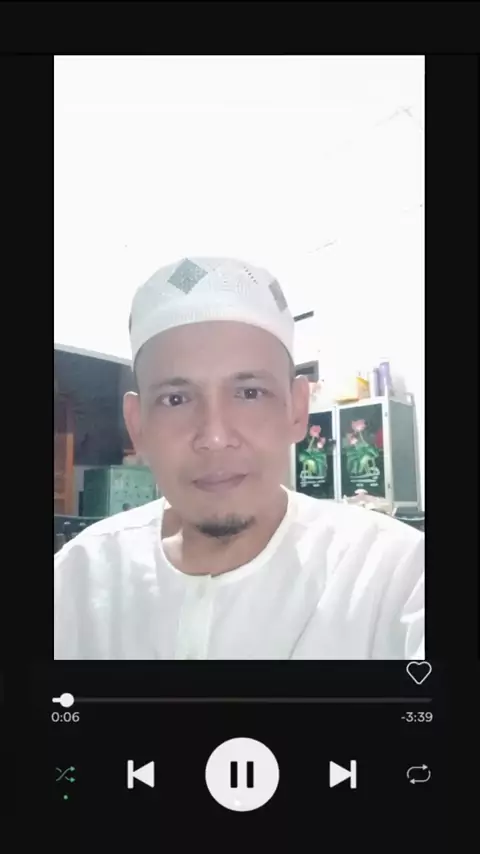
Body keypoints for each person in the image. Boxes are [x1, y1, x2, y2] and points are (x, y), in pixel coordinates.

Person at [54, 257, 424, 660]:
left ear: (297, 410)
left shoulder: (396, 577)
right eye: (175, 399)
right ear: (137, 424)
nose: (215, 438)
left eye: (250, 393)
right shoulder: (77, 579)